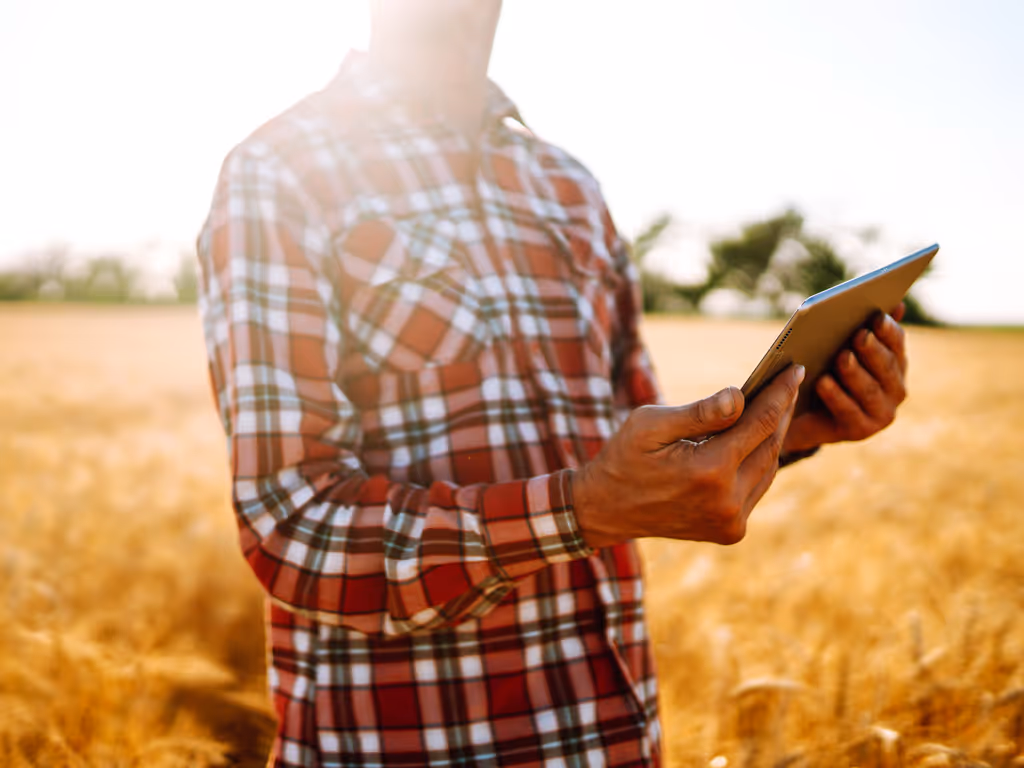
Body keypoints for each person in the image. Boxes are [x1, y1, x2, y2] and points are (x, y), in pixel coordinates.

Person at [196, 1, 910, 765]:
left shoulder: (566, 185)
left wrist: (798, 421)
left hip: (614, 740)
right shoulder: (280, 173)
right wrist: (581, 509)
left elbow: (636, 466)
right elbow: (291, 526)